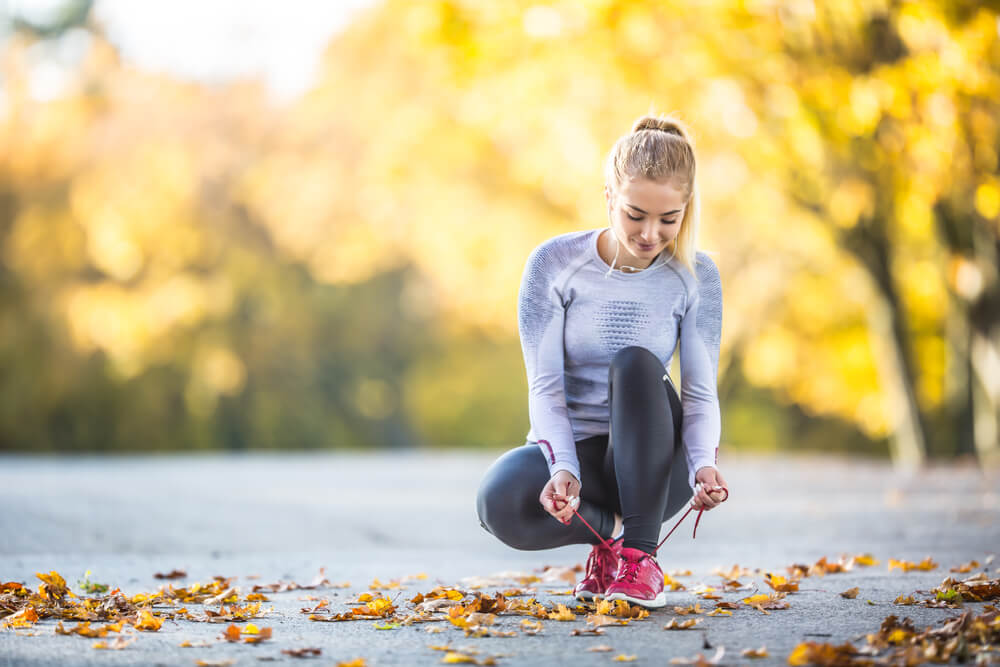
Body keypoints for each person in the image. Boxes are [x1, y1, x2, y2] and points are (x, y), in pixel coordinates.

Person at [475, 113, 728, 609]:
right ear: (609, 196)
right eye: (635, 214)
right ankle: (610, 539)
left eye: (668, 219)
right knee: (497, 501)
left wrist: (703, 465)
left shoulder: (697, 275)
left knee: (634, 364)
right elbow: (545, 389)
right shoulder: (553, 264)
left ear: (686, 210)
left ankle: (640, 556)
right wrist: (562, 466)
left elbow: (698, 393)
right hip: (584, 458)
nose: (651, 233)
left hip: (658, 469)